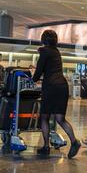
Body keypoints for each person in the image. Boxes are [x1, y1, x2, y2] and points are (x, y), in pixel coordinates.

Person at [32, 29, 81, 158]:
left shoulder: (44, 52)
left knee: (44, 117)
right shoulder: (56, 52)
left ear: (43, 40)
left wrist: (32, 77)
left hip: (51, 87)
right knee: (60, 119)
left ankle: (46, 147)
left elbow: (37, 74)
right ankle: (74, 142)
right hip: (62, 87)